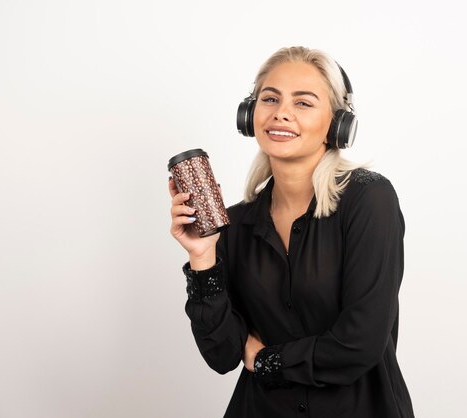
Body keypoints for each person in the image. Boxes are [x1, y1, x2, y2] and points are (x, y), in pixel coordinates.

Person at [169, 46, 414, 417]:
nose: (281, 112)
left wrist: (267, 361)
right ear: (250, 115)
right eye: (270, 98)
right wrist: (203, 258)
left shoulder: (369, 199)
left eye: (303, 103)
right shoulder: (236, 226)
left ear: (337, 124)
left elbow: (359, 343)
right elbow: (222, 354)